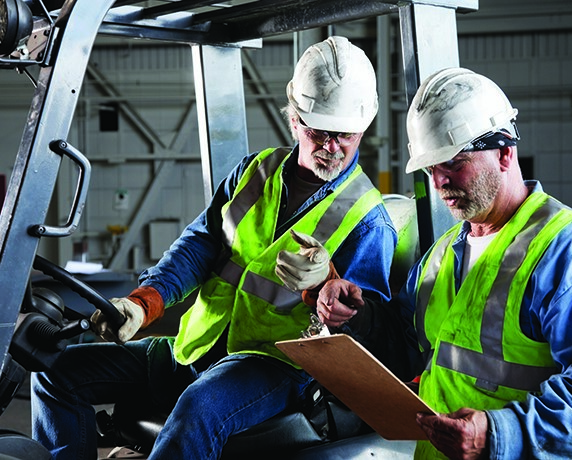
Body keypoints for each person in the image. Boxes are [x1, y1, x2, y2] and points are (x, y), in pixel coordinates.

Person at [31, 36, 398, 460]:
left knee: (199, 407)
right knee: (55, 371)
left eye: (346, 134)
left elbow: (368, 333)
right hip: (198, 345)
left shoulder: (369, 219)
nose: (333, 146)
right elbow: (199, 246)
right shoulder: (253, 172)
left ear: (364, 126)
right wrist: (145, 302)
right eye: (320, 131)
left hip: (271, 366)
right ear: (295, 119)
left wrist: (329, 289)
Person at [313, 67, 572, 459]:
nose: (439, 182)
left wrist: (502, 434)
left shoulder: (570, 254)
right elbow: (405, 345)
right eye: (431, 168)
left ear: (505, 152)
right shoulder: (442, 253)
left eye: (453, 162)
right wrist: (355, 314)